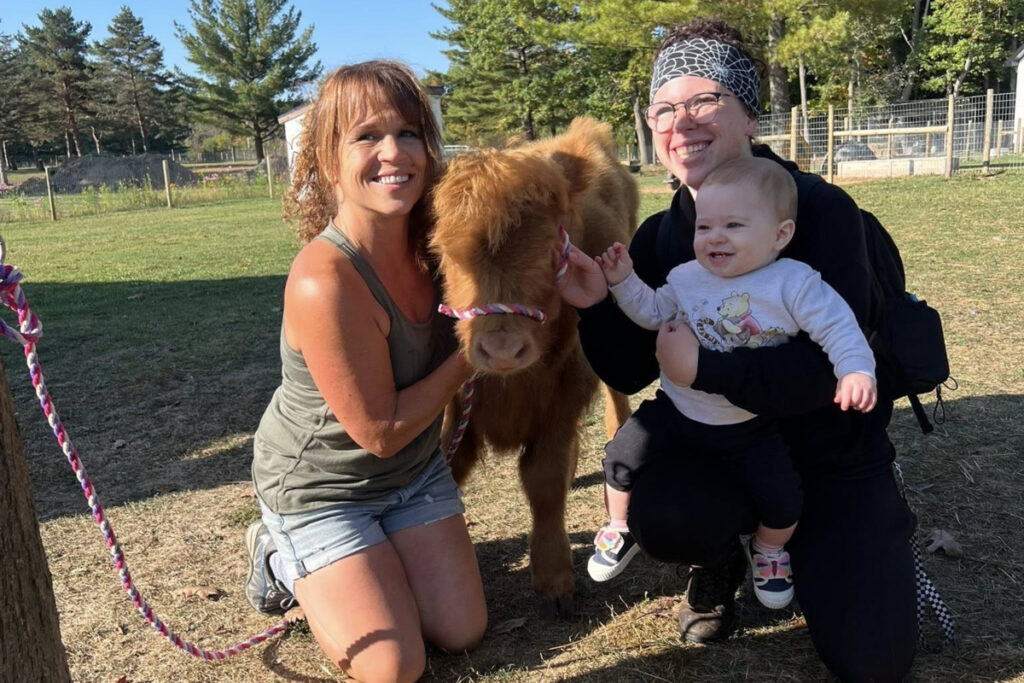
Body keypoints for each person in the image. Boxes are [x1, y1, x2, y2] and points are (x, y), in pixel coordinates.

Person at [559, 19, 918, 682]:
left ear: (750, 114)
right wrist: (592, 306)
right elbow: (634, 365)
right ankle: (719, 556)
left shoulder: (819, 213)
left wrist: (710, 368)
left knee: (875, 660)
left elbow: (821, 369)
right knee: (661, 511)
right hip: (721, 448)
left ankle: (842, 531)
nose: (682, 121)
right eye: (665, 107)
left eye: (704, 101)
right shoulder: (663, 236)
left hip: (832, 456)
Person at [243, 60, 487, 683]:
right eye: (366, 136)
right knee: (392, 666)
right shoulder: (324, 280)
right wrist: (473, 352)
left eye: (409, 133)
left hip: (413, 472)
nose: (393, 153)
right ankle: (278, 553)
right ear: (327, 159)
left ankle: (377, 561)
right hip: (321, 490)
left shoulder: (439, 245)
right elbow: (378, 431)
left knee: (463, 632)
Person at [585, 157, 878, 612]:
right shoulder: (685, 278)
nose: (715, 237)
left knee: (783, 500)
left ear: (780, 235)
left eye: (734, 225)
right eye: (705, 227)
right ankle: (619, 526)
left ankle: (769, 551)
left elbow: (838, 328)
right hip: (677, 411)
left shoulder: (794, 283)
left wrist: (856, 369)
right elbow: (651, 312)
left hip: (747, 423)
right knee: (620, 455)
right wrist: (622, 281)